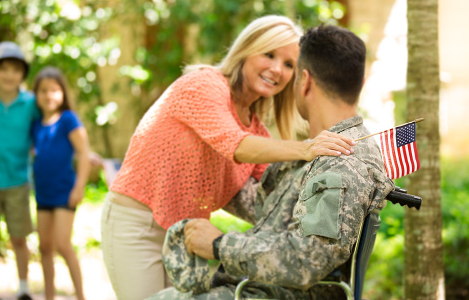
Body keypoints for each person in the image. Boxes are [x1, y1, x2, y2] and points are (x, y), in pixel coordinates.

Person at [100, 15, 356, 300]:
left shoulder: (255, 128)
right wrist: (307, 148)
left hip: (185, 236)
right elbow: (234, 144)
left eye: (288, 65)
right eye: (269, 55)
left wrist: (339, 194)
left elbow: (271, 198)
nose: (276, 69)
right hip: (137, 223)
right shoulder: (204, 86)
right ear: (247, 50)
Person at [149, 24, 396, 300]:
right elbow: (267, 210)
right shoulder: (331, 148)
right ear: (359, 83)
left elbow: (306, 260)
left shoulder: (340, 159)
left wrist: (219, 244)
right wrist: (200, 163)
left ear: (304, 81)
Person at [31, 66, 90, 300]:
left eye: (54, 90)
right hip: (43, 193)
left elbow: (83, 153)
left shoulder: (68, 120)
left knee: (63, 244)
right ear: (36, 94)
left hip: (65, 192)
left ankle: (81, 295)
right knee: (44, 246)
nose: (49, 95)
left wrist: (79, 186)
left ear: (63, 92)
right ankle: (48, 296)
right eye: (43, 90)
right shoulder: (36, 124)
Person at [0, 41, 38, 300]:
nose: (9, 75)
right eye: (3, 69)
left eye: (15, 69)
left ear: (22, 74)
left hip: (18, 182)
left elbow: (48, 129)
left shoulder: (31, 103)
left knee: (19, 237)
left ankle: (23, 286)